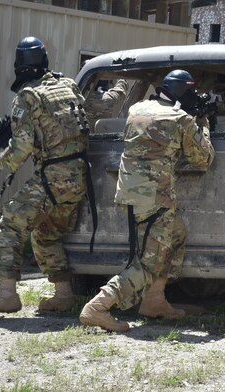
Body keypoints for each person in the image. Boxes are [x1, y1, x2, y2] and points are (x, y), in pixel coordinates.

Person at [79, 69, 215, 332]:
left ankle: (154, 300)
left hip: (132, 193)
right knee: (149, 264)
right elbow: (204, 159)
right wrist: (204, 125)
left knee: (176, 235)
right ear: (183, 92)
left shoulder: (137, 109)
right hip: (156, 198)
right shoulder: (181, 119)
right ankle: (98, 307)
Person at [0, 36, 90, 320]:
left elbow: (20, 150)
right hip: (79, 179)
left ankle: (7, 295)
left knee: (11, 221)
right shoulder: (69, 85)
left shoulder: (28, 96)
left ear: (19, 64)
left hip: (53, 179)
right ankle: (64, 295)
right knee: (46, 232)